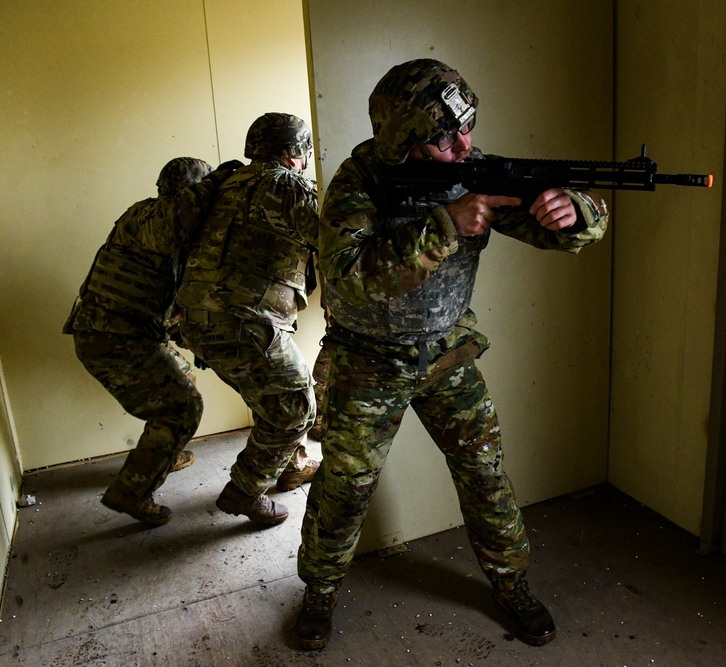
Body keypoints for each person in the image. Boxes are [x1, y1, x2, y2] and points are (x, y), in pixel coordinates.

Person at [292, 59, 609, 649]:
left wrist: (575, 212)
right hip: (366, 361)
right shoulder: (358, 182)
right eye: (441, 138)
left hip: (447, 355)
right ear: (404, 140)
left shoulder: (472, 167)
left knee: (485, 474)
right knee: (344, 485)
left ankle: (510, 583)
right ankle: (318, 592)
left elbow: (563, 233)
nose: (463, 145)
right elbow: (345, 278)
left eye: (465, 127)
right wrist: (445, 225)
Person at [64, 156, 239, 526]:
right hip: (111, 338)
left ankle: (164, 452)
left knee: (183, 375)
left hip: (127, 332)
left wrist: (197, 343)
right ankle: (131, 492)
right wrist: (215, 183)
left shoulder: (175, 241)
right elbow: (176, 221)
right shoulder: (147, 217)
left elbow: (168, 307)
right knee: (182, 407)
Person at [175, 112, 321, 527]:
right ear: (295, 151)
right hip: (243, 322)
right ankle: (244, 491)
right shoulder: (285, 185)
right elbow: (334, 240)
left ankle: (292, 466)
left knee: (268, 395)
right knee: (294, 406)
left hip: (198, 321)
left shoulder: (224, 184)